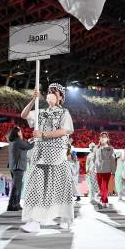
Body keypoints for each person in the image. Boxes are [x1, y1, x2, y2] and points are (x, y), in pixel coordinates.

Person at [20, 83, 75, 233]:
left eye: (54, 92)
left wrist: (43, 134)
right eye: (49, 91)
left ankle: (64, 217)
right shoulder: (40, 111)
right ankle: (34, 221)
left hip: (57, 155)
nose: (51, 94)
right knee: (36, 187)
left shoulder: (64, 112)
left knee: (60, 189)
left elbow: (64, 130)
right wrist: (33, 100)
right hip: (39, 154)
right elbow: (24, 115)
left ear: (61, 97)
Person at [94, 132, 116, 209]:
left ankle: (103, 201)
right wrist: (94, 169)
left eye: (105, 137)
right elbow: (95, 159)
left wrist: (113, 172)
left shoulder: (110, 148)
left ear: (107, 139)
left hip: (107, 170)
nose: (103, 138)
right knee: (101, 187)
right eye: (102, 137)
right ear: (100, 138)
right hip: (98, 170)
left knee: (104, 187)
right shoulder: (96, 148)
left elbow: (113, 160)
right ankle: (104, 200)